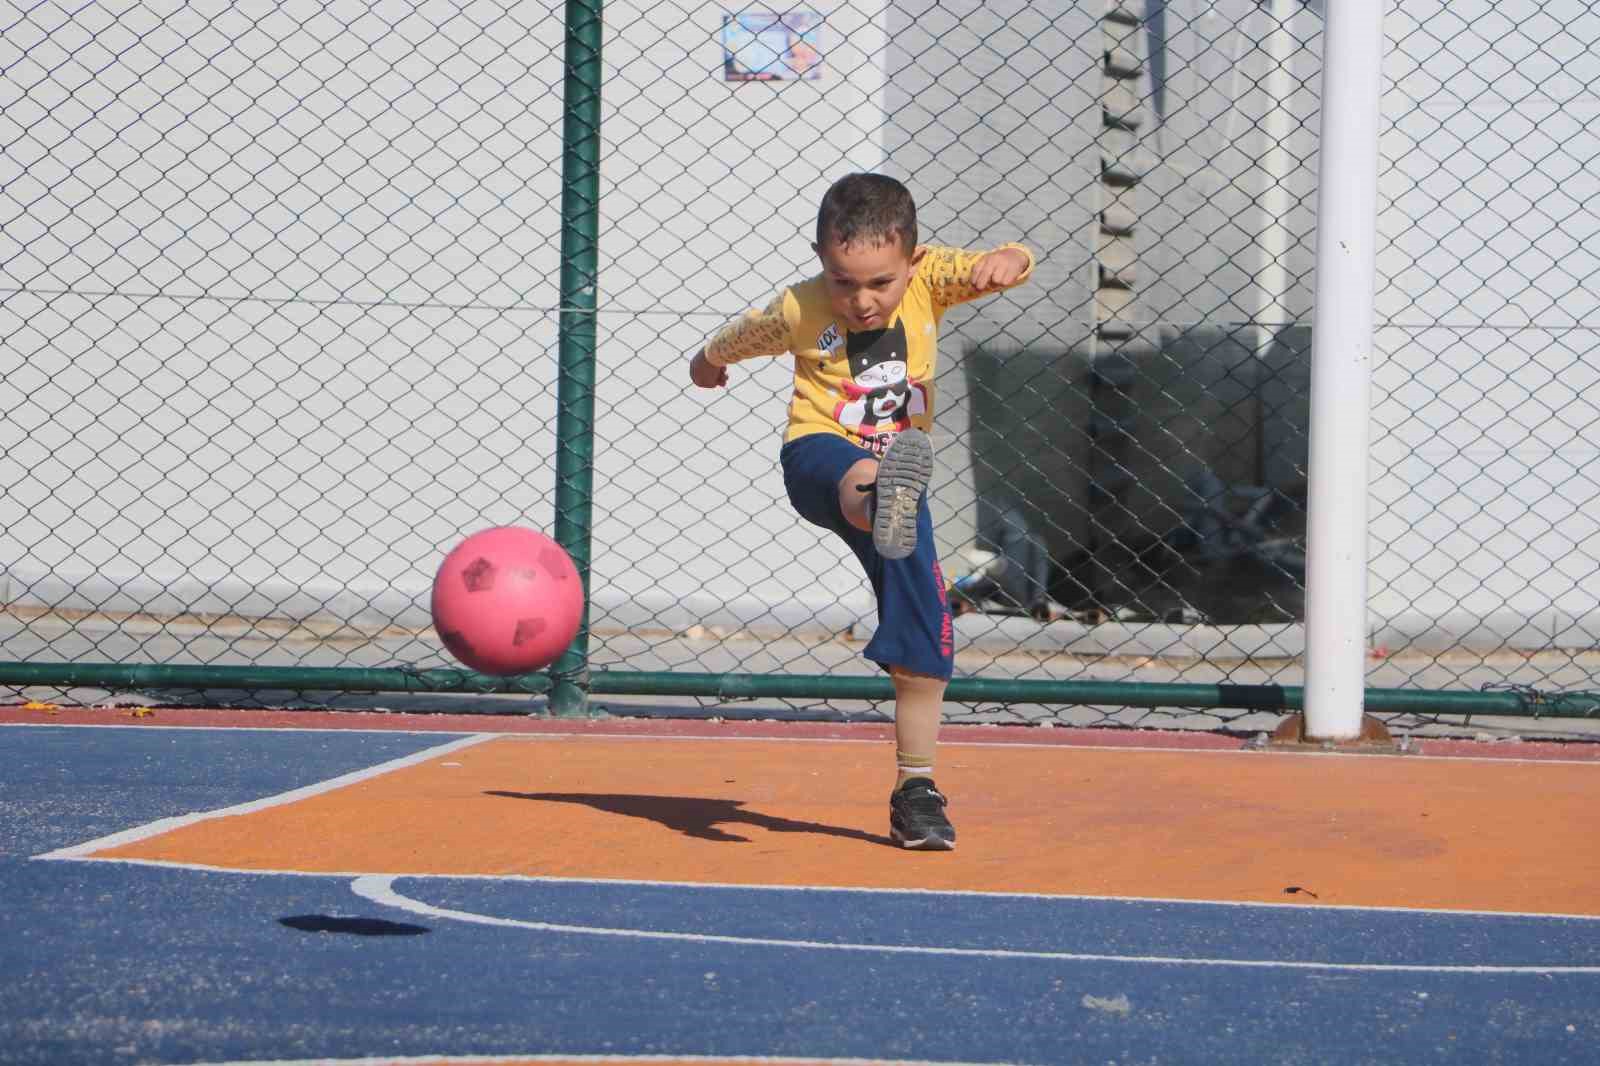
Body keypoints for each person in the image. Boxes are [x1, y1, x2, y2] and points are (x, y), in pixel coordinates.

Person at [687, 172, 1033, 850]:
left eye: (880, 283)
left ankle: (917, 790)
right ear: (822, 261)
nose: (862, 301)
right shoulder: (800, 307)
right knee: (868, 476)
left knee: (926, 620)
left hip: (902, 477)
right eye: (843, 282)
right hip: (819, 457)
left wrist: (1008, 260)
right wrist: (706, 362)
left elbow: (1011, 259)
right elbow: (743, 336)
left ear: (913, 261)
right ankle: (877, 499)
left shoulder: (933, 281)